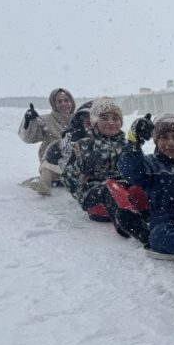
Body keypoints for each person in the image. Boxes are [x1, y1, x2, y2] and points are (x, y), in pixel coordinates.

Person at [118, 113, 174, 259]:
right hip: (166, 222)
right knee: (158, 237)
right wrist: (133, 143)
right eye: (164, 137)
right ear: (156, 141)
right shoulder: (149, 164)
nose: (170, 143)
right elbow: (131, 172)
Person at [62, 97, 149, 243]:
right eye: (104, 118)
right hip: (98, 200)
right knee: (111, 186)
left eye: (115, 118)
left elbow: (139, 172)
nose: (111, 122)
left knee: (140, 186)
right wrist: (82, 193)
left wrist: (135, 148)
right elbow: (68, 177)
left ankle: (153, 217)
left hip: (126, 197)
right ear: (94, 122)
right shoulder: (84, 146)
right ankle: (136, 229)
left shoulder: (126, 145)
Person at [18, 87, 76, 196]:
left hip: (74, 166)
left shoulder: (80, 120)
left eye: (66, 100)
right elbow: (29, 138)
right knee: (52, 153)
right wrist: (28, 121)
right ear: (54, 104)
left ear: (71, 102)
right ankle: (44, 185)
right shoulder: (45, 120)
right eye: (59, 101)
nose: (64, 104)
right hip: (52, 165)